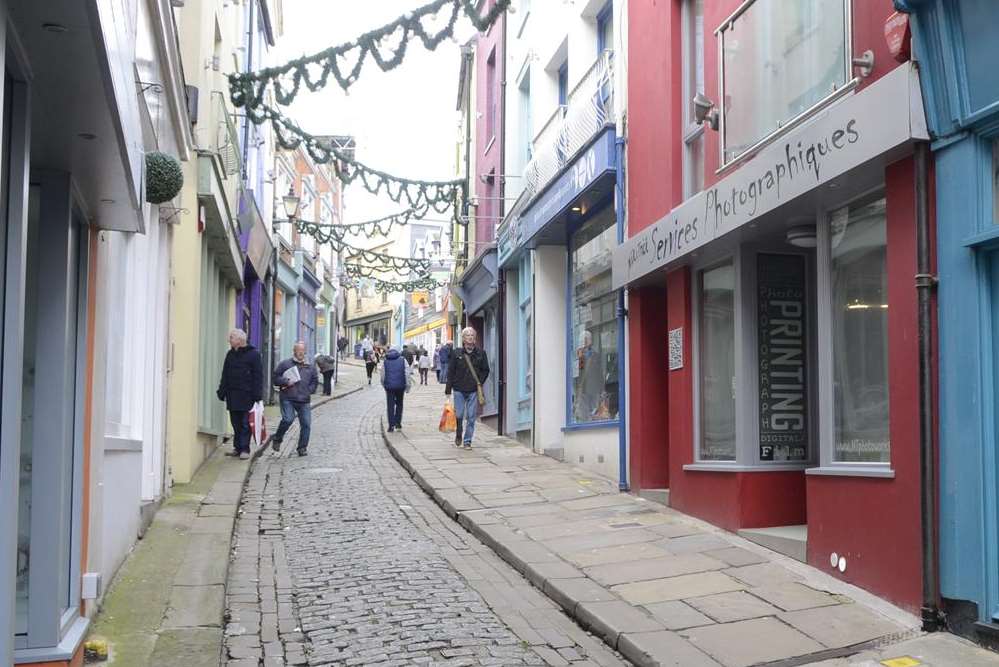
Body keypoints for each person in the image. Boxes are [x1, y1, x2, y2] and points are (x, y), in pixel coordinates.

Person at [216, 329, 263, 460]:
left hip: (247, 395)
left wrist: (257, 395)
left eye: (231, 337)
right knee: (235, 423)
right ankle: (237, 447)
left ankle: (245, 449)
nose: (229, 340)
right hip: (232, 394)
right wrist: (222, 391)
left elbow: (258, 376)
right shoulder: (230, 354)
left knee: (245, 423)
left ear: (240, 340)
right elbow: (225, 374)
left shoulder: (253, 355)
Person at [268, 341, 319, 456]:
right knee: (287, 419)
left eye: (302, 350)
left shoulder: (310, 367)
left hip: (304, 400)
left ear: (305, 351)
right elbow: (275, 378)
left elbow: (315, 381)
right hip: (288, 397)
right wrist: (285, 381)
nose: (301, 352)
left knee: (306, 424)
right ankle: (277, 438)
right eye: (298, 350)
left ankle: (302, 448)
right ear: (294, 351)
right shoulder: (285, 364)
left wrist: (309, 390)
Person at [445, 327, 489, 449]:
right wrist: (448, 390)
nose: (470, 337)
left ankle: (467, 440)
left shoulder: (481, 353)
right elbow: (450, 372)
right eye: (468, 335)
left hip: (473, 390)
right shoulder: (456, 353)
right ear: (463, 339)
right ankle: (459, 432)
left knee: (471, 416)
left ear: (475, 339)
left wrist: (479, 382)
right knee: (459, 414)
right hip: (458, 389)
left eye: (472, 336)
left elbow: (486, 370)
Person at [381, 346, 409, 432]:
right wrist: (408, 386)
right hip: (400, 386)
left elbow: (382, 375)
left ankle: (391, 426)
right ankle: (398, 423)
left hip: (389, 387)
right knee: (399, 404)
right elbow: (407, 374)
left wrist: (384, 385)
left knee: (390, 406)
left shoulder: (385, 361)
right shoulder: (403, 360)